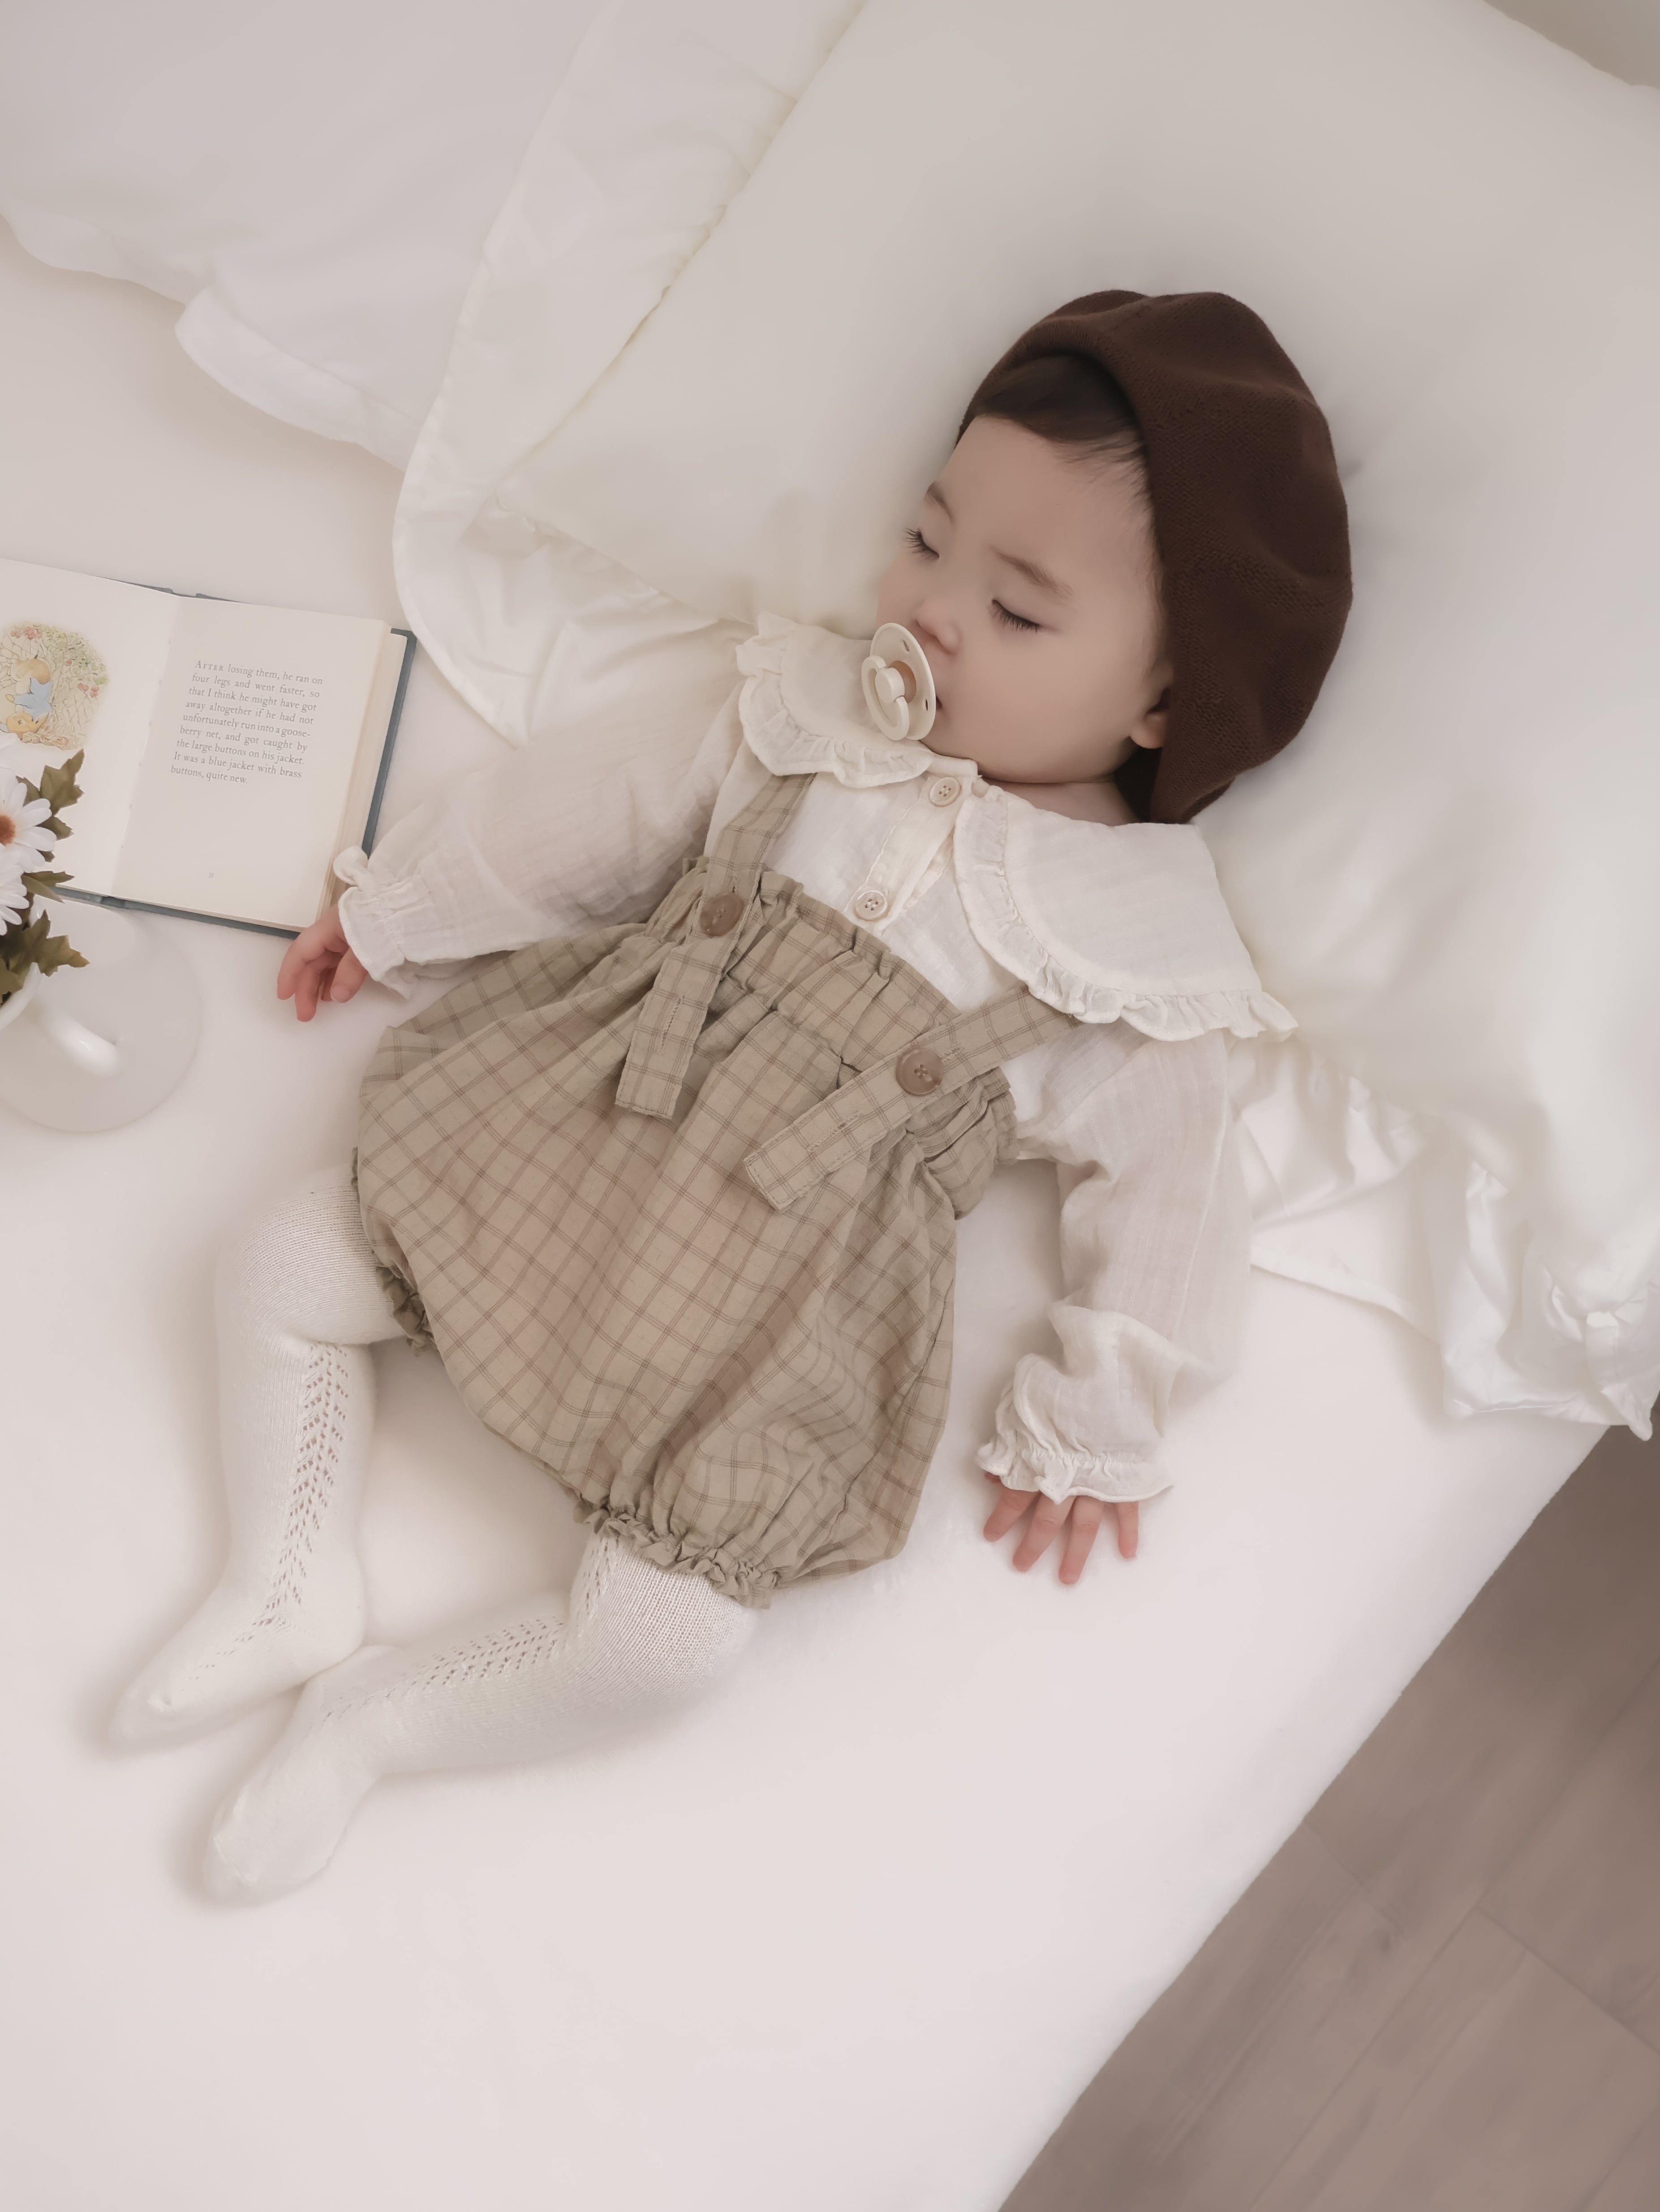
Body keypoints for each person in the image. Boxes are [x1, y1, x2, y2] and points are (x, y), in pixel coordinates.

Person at [113, 290, 1351, 1902]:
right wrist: (403, 907)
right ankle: (283, 1575)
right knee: (281, 1262)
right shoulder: (799, 726)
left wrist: (1098, 1411)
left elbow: (1177, 1196)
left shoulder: (1125, 954)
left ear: (1164, 706)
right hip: (577, 1125)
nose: (932, 611)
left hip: (774, 1313)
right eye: (925, 539)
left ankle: (379, 1719)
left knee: (667, 1645)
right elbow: (584, 816)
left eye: (1016, 609)